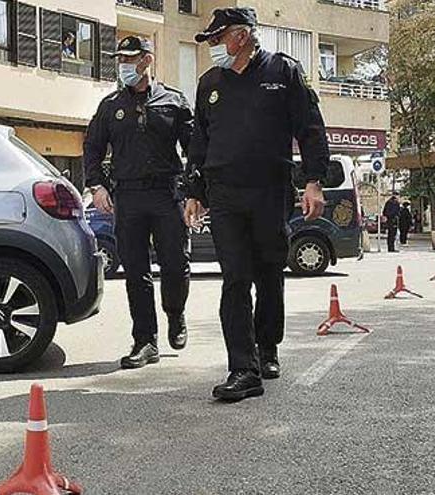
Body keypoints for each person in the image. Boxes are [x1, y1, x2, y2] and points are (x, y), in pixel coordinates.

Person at [185, 7, 328, 401]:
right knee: (234, 278)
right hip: (225, 193)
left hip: (269, 190)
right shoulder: (209, 82)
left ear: (242, 36)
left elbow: (311, 128)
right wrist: (194, 192)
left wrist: (314, 182)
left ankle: (267, 348)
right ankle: (243, 369)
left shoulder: (283, 73)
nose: (213, 47)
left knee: (269, 273)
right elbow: (200, 140)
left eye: (218, 39)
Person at [84, 36, 193, 369]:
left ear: (147, 60)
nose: (124, 65)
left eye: (130, 59)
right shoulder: (110, 105)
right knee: (135, 272)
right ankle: (145, 341)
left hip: (165, 193)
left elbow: (195, 149)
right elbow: (92, 147)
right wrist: (97, 186)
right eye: (120, 60)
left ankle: (175, 314)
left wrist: (194, 190)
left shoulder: (173, 101)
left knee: (175, 265)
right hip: (127, 196)